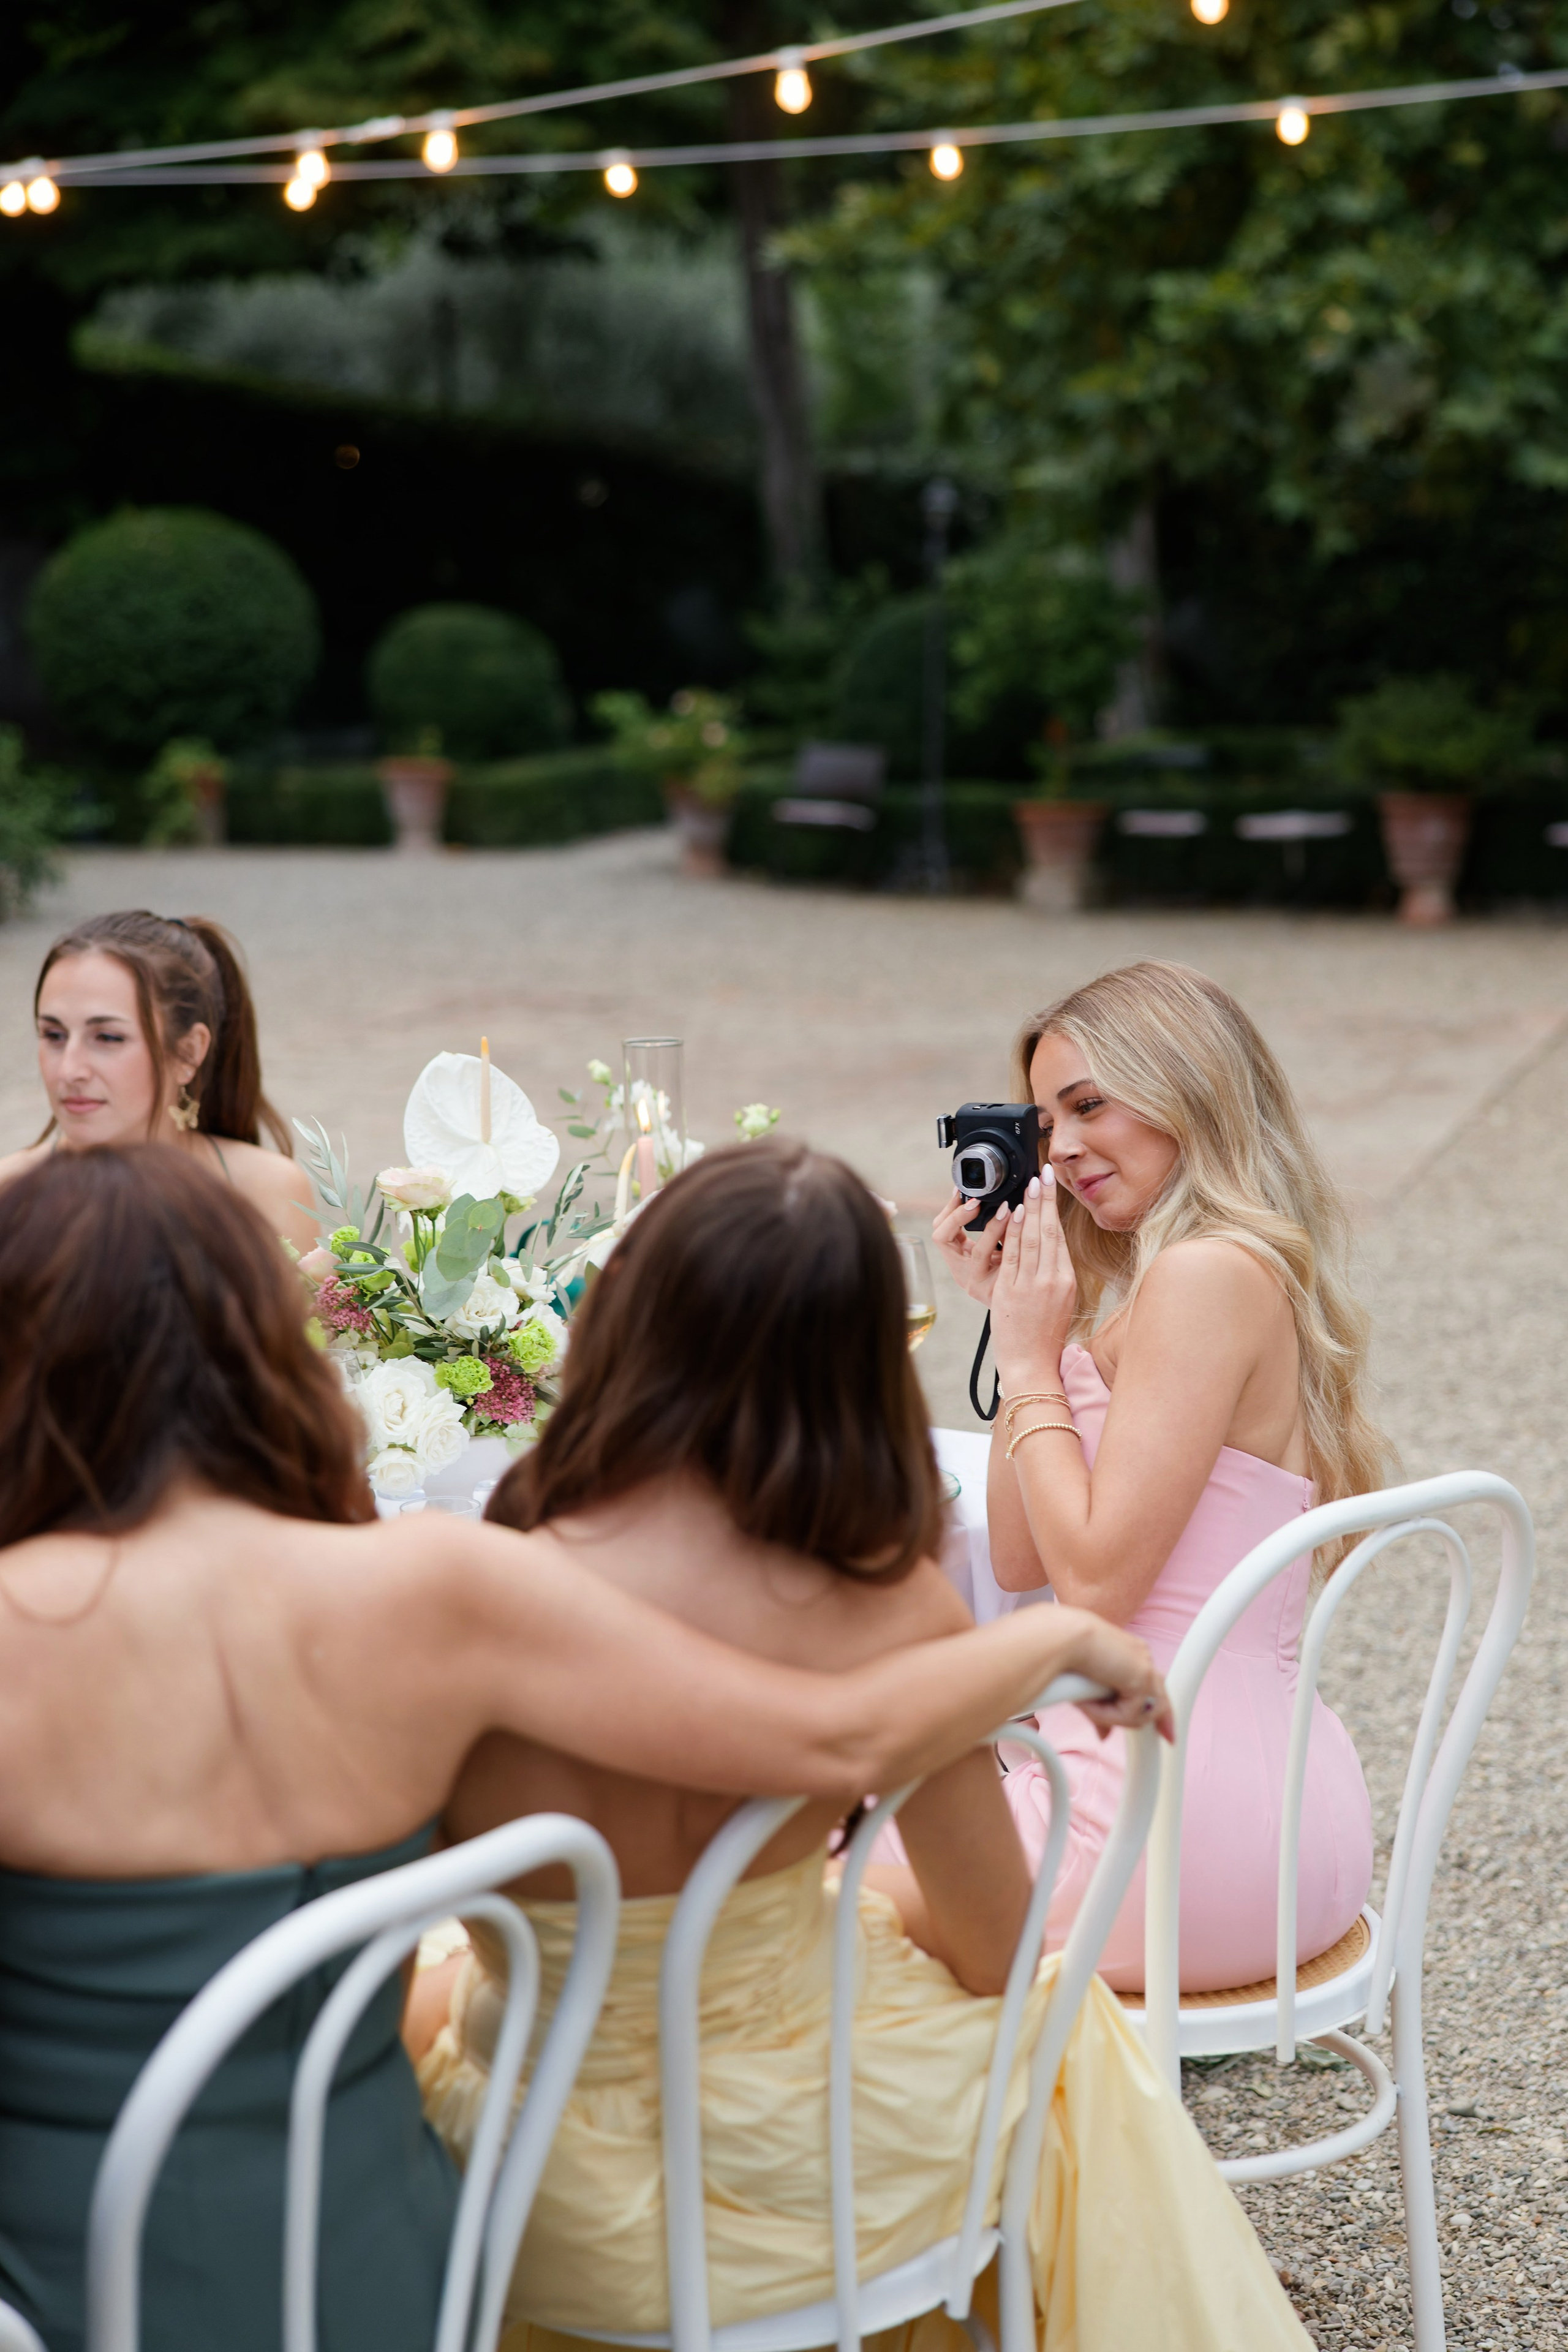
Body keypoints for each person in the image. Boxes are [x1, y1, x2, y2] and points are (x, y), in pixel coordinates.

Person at [0, 1145, 1167, 2352]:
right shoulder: (433, 1590)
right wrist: (1042, 1643)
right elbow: (842, 1746)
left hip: (91, 2291)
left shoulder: (471, 1575)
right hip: (391, 2277)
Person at [413, 1140, 1311, 2352]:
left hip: (524, 2189)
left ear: (626, 1315)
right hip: (811, 2189)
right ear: (862, 1363)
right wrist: (818, 1897)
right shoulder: (888, 1609)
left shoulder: (483, 1583)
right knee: (1068, 2028)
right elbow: (999, 1952)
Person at [932, 959, 1384, 1991]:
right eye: (1047, 1122)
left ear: (1190, 1092)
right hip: (1269, 1826)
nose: (1063, 1148)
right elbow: (1020, 1554)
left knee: (798, 1860)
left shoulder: (1204, 1275)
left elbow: (1093, 1586)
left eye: (1090, 1105)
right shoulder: (1188, 1282)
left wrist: (1031, 1364)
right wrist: (1015, 1326)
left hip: (1159, 1833)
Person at [0, 907, 318, 1251]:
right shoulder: (9, 1193)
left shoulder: (266, 1193)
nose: (69, 1070)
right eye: (54, 1035)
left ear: (188, 1052)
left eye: (108, 1037)